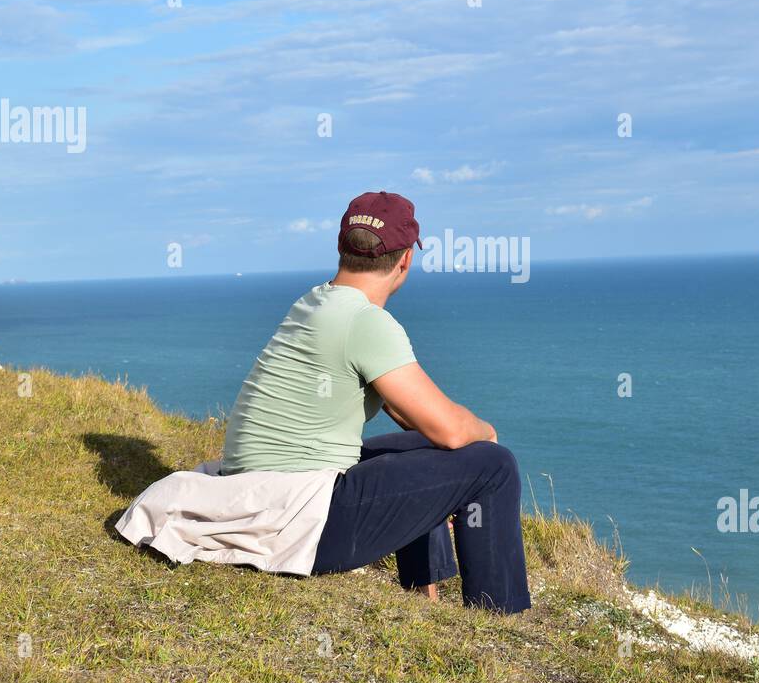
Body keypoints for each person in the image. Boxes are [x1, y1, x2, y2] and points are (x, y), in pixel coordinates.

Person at [220, 191, 531, 614]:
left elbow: (406, 412)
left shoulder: (314, 302)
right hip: (300, 520)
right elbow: (452, 430)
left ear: (341, 246)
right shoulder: (365, 322)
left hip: (259, 496)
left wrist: (451, 446)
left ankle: (424, 595)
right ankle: (500, 613)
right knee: (494, 465)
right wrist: (486, 435)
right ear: (405, 261)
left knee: (422, 445)